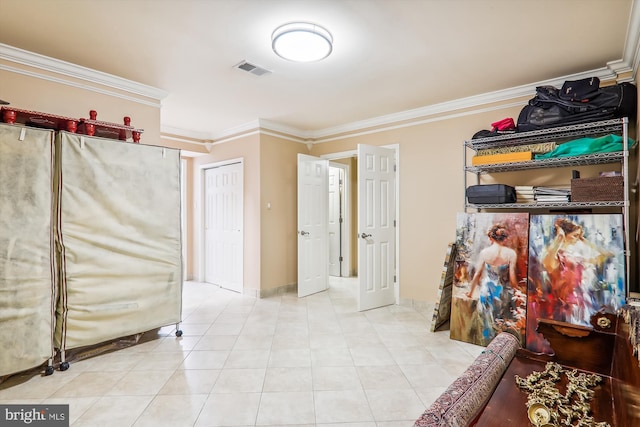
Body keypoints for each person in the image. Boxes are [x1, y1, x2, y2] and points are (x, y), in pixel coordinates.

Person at [541, 217, 614, 324]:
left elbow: (607, 255)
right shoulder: (556, 254)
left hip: (583, 301)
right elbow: (547, 264)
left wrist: (585, 240)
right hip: (567, 304)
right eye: (575, 236)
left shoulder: (577, 255)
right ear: (564, 236)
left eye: (579, 236)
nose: (578, 239)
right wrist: (560, 237)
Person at [465, 224, 519, 342]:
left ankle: (487, 342)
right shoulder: (511, 254)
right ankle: (499, 345)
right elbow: (512, 278)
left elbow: (477, 275)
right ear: (504, 238)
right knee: (501, 322)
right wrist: (518, 291)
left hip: (487, 292)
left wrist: (470, 292)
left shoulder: (485, 253)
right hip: (503, 293)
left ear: (491, 238)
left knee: (487, 321)